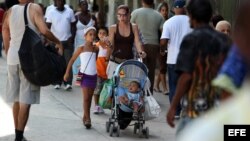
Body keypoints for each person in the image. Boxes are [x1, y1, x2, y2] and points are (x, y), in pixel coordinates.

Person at [166, 0, 231, 135]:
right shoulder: (224, 40)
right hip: (219, 108)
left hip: (196, 109)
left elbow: (186, 76)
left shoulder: (191, 39)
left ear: (192, 17)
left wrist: (173, 107)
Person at [2, 0, 63, 140]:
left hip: (13, 59)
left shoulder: (10, 10)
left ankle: (18, 134)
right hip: (30, 59)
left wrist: (8, 49)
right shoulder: (34, 8)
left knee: (17, 99)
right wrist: (58, 42)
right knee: (26, 100)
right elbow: (44, 30)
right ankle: (19, 136)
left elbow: (5, 30)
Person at [64, 26, 104, 129]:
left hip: (93, 76)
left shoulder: (96, 48)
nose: (92, 36)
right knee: (86, 98)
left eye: (94, 35)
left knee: (90, 98)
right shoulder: (81, 48)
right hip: (84, 75)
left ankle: (85, 116)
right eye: (90, 34)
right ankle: (88, 119)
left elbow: (95, 60)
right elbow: (72, 60)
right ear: (85, 36)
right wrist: (67, 73)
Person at [160, 0, 192, 118]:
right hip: (188, 59)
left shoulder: (168, 22)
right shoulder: (191, 21)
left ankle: (176, 111)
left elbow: (163, 41)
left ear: (174, 9)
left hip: (173, 59)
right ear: (185, 8)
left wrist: (162, 50)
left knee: (173, 85)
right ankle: (187, 107)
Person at [131, 0, 164, 93]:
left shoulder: (135, 13)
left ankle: (138, 93)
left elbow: (130, 27)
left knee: (138, 69)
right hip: (153, 44)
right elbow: (163, 33)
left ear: (142, 1)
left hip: (138, 44)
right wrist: (163, 48)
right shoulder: (159, 15)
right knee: (151, 70)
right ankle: (149, 94)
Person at [107, 5, 146, 79]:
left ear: (129, 15)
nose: (122, 18)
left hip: (128, 62)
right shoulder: (113, 28)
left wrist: (141, 52)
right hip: (116, 62)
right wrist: (108, 45)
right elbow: (111, 46)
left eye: (124, 15)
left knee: (126, 85)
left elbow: (137, 42)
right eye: (119, 15)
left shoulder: (134, 27)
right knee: (114, 85)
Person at [46, 0, 76, 90]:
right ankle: (57, 82)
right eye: (58, 0)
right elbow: (47, 27)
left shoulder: (69, 11)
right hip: (56, 42)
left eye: (62, 0)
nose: (60, 2)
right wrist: (49, 40)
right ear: (56, 2)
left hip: (67, 42)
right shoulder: (51, 12)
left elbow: (73, 25)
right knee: (57, 63)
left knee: (68, 62)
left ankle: (68, 82)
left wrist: (72, 37)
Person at [73, 0, 97, 75]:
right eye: (83, 5)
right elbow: (73, 29)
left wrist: (96, 38)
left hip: (89, 42)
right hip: (79, 41)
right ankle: (79, 78)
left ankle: (87, 75)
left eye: (86, 4)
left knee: (88, 59)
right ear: (80, 7)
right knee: (78, 60)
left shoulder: (92, 16)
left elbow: (96, 28)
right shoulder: (76, 16)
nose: (85, 6)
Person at [93, 27, 109, 114]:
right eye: (100, 33)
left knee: (104, 90)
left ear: (107, 35)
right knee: (97, 89)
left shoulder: (109, 46)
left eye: (104, 33)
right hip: (98, 72)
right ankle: (96, 106)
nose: (102, 35)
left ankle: (101, 105)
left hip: (107, 73)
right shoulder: (96, 45)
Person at [154, 1, 169, 95]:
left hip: (168, 46)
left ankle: (156, 85)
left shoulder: (168, 21)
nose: (164, 12)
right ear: (159, 11)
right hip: (159, 47)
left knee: (163, 67)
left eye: (166, 10)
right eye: (162, 10)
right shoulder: (157, 22)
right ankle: (165, 88)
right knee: (162, 67)